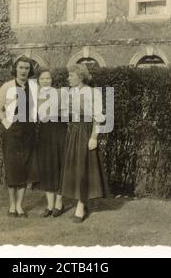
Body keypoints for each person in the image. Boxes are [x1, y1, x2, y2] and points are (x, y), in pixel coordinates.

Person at [60, 63, 109, 223]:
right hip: (72, 132)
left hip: (86, 132)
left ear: (80, 76)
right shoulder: (70, 92)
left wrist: (94, 137)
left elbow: (98, 117)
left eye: (71, 75)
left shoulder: (92, 93)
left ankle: (81, 205)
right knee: (73, 168)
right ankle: (79, 201)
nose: (68, 78)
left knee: (83, 169)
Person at [0, 56, 39, 218]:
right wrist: (7, 123)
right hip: (12, 133)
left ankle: (20, 206)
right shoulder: (6, 87)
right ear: (16, 69)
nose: (24, 71)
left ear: (30, 70)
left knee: (26, 168)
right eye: (21, 67)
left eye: (27, 68)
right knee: (13, 168)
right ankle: (12, 205)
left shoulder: (34, 87)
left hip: (28, 132)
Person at [35, 69, 67, 218]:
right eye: (43, 78)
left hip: (58, 131)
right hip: (44, 133)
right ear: (38, 80)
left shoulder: (59, 93)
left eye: (48, 78)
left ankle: (59, 203)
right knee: (47, 167)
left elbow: (66, 113)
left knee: (58, 166)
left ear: (52, 80)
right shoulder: (36, 96)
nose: (46, 81)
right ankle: (49, 205)